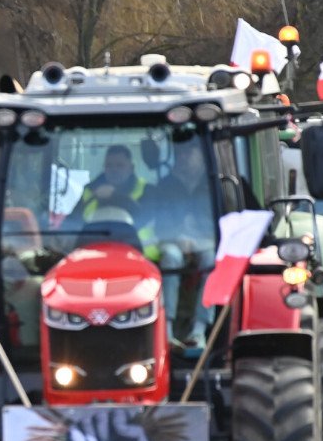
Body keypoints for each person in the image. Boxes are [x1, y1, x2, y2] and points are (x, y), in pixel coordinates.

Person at [144, 142, 216, 349]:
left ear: (202, 156)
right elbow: (159, 223)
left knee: (210, 261)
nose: (184, 157)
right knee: (172, 258)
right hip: (171, 240)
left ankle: (199, 330)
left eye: (189, 152)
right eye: (180, 153)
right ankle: (166, 329)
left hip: (206, 242)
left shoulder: (212, 183)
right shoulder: (165, 185)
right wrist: (178, 236)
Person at [72, 146, 145, 221]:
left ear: (131, 168)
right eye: (109, 165)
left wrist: (115, 195)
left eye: (120, 165)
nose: (114, 170)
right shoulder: (90, 190)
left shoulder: (147, 190)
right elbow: (70, 223)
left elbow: (145, 216)